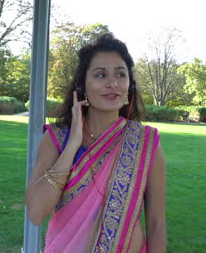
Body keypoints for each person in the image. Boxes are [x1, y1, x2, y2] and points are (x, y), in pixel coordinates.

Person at [25, 34, 166, 253]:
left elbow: (156, 222)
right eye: (101, 75)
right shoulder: (57, 138)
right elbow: (36, 212)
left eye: (121, 74)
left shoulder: (144, 142)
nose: (113, 84)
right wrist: (73, 144)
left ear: (130, 85)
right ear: (82, 85)